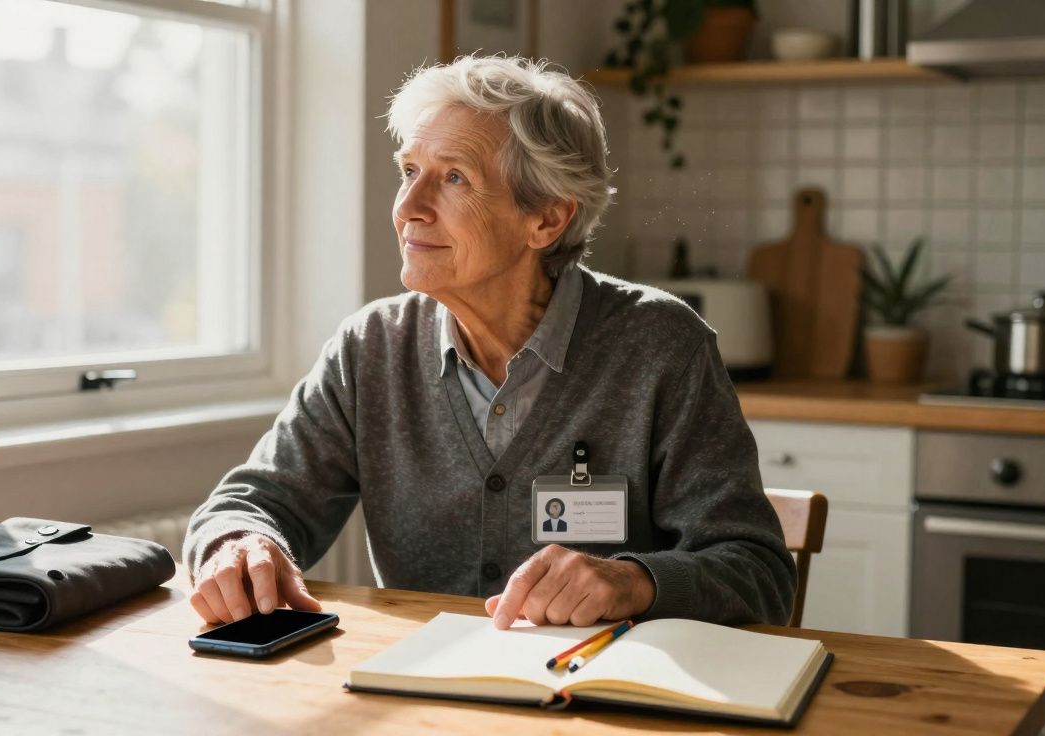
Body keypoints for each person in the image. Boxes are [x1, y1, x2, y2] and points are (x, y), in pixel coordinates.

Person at [184, 56, 795, 631]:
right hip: (417, 698)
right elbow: (252, 502)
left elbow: (759, 574)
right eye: (408, 171)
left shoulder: (662, 345)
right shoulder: (371, 348)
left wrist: (635, 581)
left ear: (547, 220)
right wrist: (239, 542)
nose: (407, 208)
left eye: (453, 178)